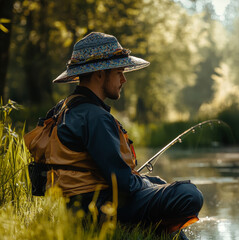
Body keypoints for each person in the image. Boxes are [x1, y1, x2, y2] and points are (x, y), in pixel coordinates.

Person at [28, 32, 203, 239]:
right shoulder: (95, 117)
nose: (124, 79)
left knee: (157, 181)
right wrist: (146, 184)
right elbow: (124, 183)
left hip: (76, 207)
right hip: (98, 209)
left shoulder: (65, 108)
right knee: (189, 194)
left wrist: (149, 183)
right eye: (119, 72)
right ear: (100, 73)